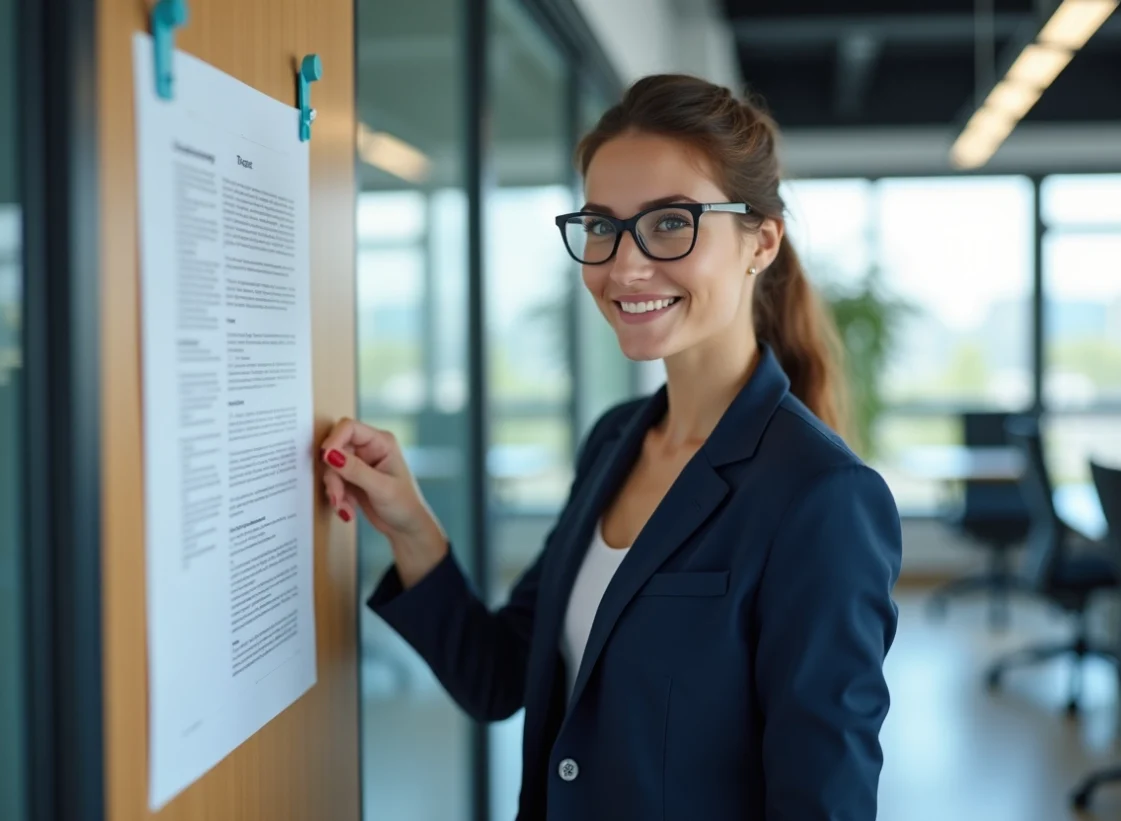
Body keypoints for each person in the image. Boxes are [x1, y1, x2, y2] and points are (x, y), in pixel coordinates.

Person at [321, 74, 902, 821]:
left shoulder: (821, 495)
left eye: (671, 223)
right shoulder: (614, 442)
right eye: (601, 228)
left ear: (760, 242)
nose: (623, 266)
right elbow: (501, 675)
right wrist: (409, 523)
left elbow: (823, 804)